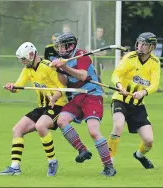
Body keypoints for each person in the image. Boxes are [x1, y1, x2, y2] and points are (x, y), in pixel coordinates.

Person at [0, 42, 88, 176]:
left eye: (23, 59)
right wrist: (12, 87)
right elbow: (19, 86)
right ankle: (15, 167)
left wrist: (54, 97)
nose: (22, 62)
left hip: (57, 106)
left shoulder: (48, 67)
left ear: (32, 55)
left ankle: (52, 161)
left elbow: (62, 86)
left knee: (41, 126)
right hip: (42, 107)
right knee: (17, 129)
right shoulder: (28, 70)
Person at [50, 33, 116, 176]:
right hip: (77, 96)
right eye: (59, 46)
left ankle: (109, 166)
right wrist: (58, 70)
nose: (60, 49)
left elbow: (82, 76)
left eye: (62, 46)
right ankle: (82, 150)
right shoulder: (63, 59)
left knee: (93, 131)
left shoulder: (82, 55)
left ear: (71, 46)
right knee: (62, 121)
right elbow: (64, 83)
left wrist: (64, 66)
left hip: (92, 94)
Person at [108, 32, 160, 169]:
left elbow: (155, 84)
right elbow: (116, 74)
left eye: (144, 44)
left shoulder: (155, 62)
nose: (140, 47)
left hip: (137, 105)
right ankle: (109, 162)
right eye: (139, 43)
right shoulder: (129, 57)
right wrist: (119, 86)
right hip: (120, 100)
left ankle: (139, 155)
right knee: (118, 125)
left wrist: (143, 92)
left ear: (152, 47)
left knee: (149, 141)